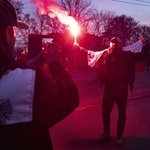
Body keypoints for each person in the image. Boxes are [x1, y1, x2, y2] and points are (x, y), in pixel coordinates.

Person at [0, 1, 79, 150]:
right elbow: (71, 96)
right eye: (15, 31)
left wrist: (25, 68)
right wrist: (56, 64)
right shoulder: (30, 83)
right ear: (7, 33)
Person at [74, 36, 148, 145]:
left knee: (122, 112)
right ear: (110, 43)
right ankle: (106, 132)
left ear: (119, 44)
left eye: (116, 43)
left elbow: (141, 56)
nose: (114, 45)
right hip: (109, 87)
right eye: (112, 42)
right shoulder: (105, 54)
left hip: (122, 88)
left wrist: (146, 45)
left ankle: (119, 136)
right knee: (105, 111)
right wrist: (78, 48)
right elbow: (91, 53)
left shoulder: (127, 54)